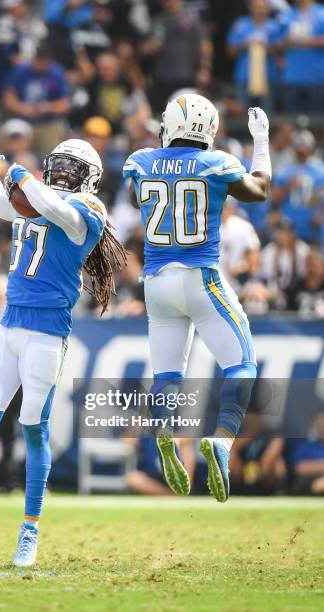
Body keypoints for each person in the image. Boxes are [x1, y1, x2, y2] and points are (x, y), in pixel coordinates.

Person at [0, 136, 127, 567]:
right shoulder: (34, 198)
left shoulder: (87, 211)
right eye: (60, 165)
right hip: (8, 323)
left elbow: (55, 209)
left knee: (34, 427)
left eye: (74, 168)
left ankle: (29, 530)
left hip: (46, 333)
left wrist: (22, 175)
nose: (65, 173)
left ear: (88, 178)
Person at [123, 95, 272, 502]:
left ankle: (163, 428)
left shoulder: (140, 160)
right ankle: (222, 440)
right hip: (200, 277)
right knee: (241, 364)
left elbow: (138, 199)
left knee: (168, 375)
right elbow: (258, 191)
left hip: (156, 284)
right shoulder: (217, 162)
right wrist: (261, 141)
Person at [3, 42, 71, 157]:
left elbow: (65, 104)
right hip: (24, 121)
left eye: (45, 63)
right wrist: (22, 108)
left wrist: (49, 107)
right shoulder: (21, 71)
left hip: (48, 122)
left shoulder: (57, 73)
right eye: (38, 63)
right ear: (34, 59)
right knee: (17, 153)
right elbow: (8, 98)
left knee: (54, 154)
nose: (41, 67)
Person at [226, 0, 278, 110]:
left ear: (267, 8)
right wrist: (245, 45)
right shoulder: (240, 25)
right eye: (256, 6)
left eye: (262, 7)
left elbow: (280, 52)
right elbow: (230, 50)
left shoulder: (274, 26)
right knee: (242, 114)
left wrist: (266, 47)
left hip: (267, 78)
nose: (259, 10)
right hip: (244, 77)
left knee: (266, 115)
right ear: (250, 7)